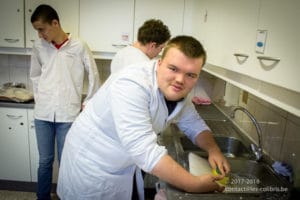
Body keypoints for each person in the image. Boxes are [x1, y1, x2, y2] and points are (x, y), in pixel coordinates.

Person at [57, 36, 230, 200]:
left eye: (190, 75)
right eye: (173, 69)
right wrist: (194, 184)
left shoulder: (178, 92)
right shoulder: (132, 84)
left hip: (123, 164)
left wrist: (213, 150)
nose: (180, 80)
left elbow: (193, 123)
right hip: (93, 167)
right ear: (160, 63)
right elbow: (144, 150)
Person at [29, 4, 100, 200]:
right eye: (37, 30)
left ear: (55, 23)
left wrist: (89, 102)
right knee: (45, 161)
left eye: (41, 29)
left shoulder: (78, 46)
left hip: (68, 115)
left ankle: (66, 196)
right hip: (43, 114)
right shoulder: (38, 46)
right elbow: (34, 76)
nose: (40, 34)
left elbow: (93, 74)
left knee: (66, 161)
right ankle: (42, 197)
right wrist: (40, 97)